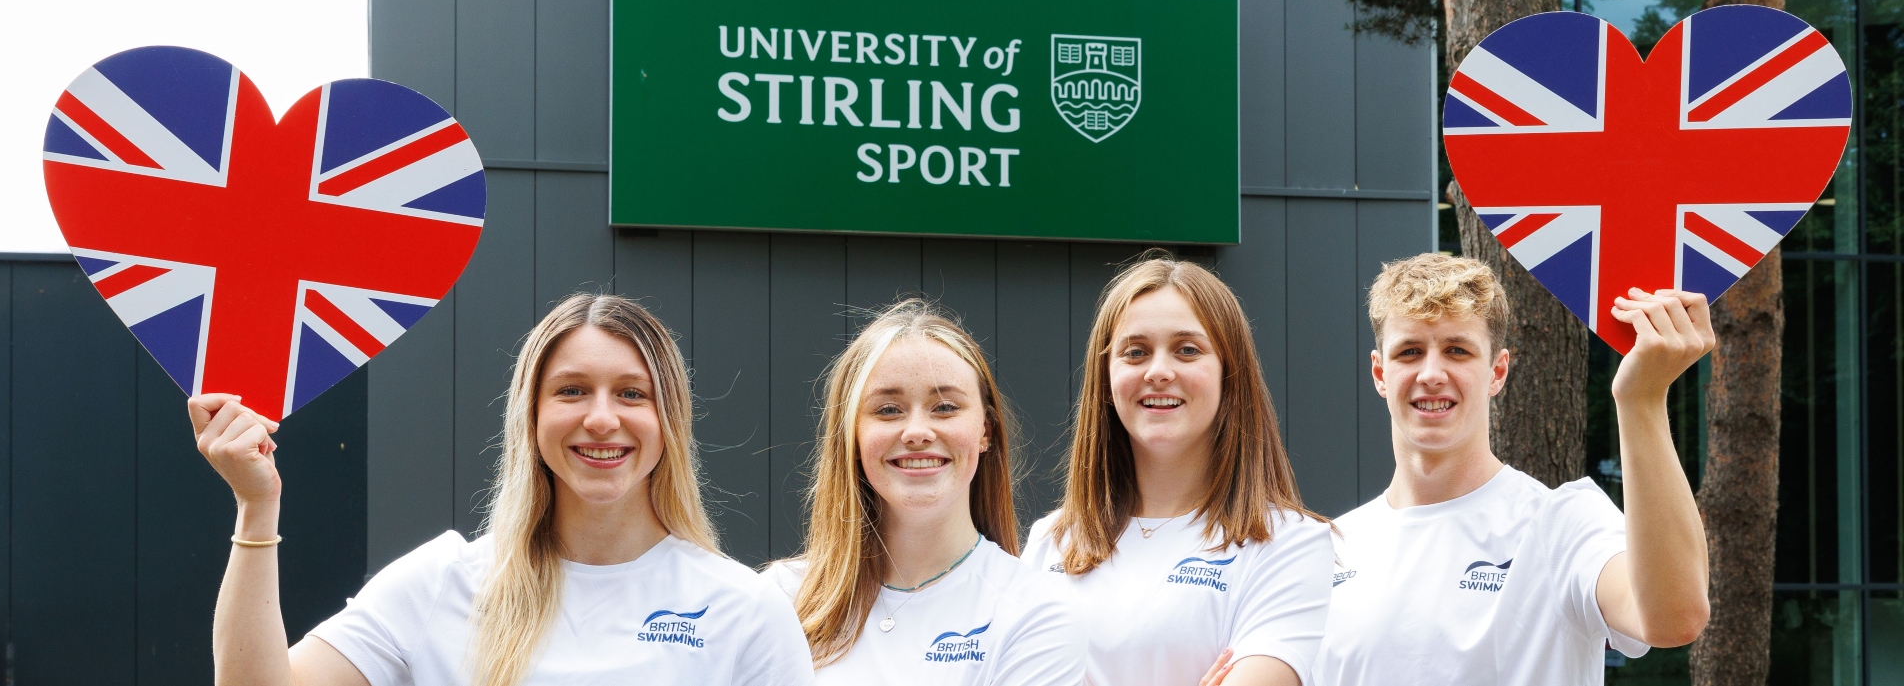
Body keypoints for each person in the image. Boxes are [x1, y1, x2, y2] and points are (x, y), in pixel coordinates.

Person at [188, 293, 814, 686]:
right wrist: (256, 506)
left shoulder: (744, 610)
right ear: (531, 416)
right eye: (570, 391)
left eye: (632, 393)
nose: (601, 418)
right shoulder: (442, 583)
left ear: (669, 422)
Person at [1314, 254, 1713, 685]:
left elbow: (1676, 618)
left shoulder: (1562, 525)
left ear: (1497, 371)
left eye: (1457, 350)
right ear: (1380, 373)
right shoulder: (1326, 551)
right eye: (1410, 352)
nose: (1431, 373)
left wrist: (1642, 400)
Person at [1019, 254, 1334, 686]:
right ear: (1106, 381)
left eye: (1187, 350)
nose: (1159, 372)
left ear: (1229, 374)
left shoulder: (1289, 545)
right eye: (1136, 352)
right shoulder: (1050, 544)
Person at [762, 300, 1084, 686]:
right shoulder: (781, 598)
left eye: (945, 407)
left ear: (986, 431)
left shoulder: (1037, 611)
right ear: (852, 435)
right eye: (888, 410)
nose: (917, 431)